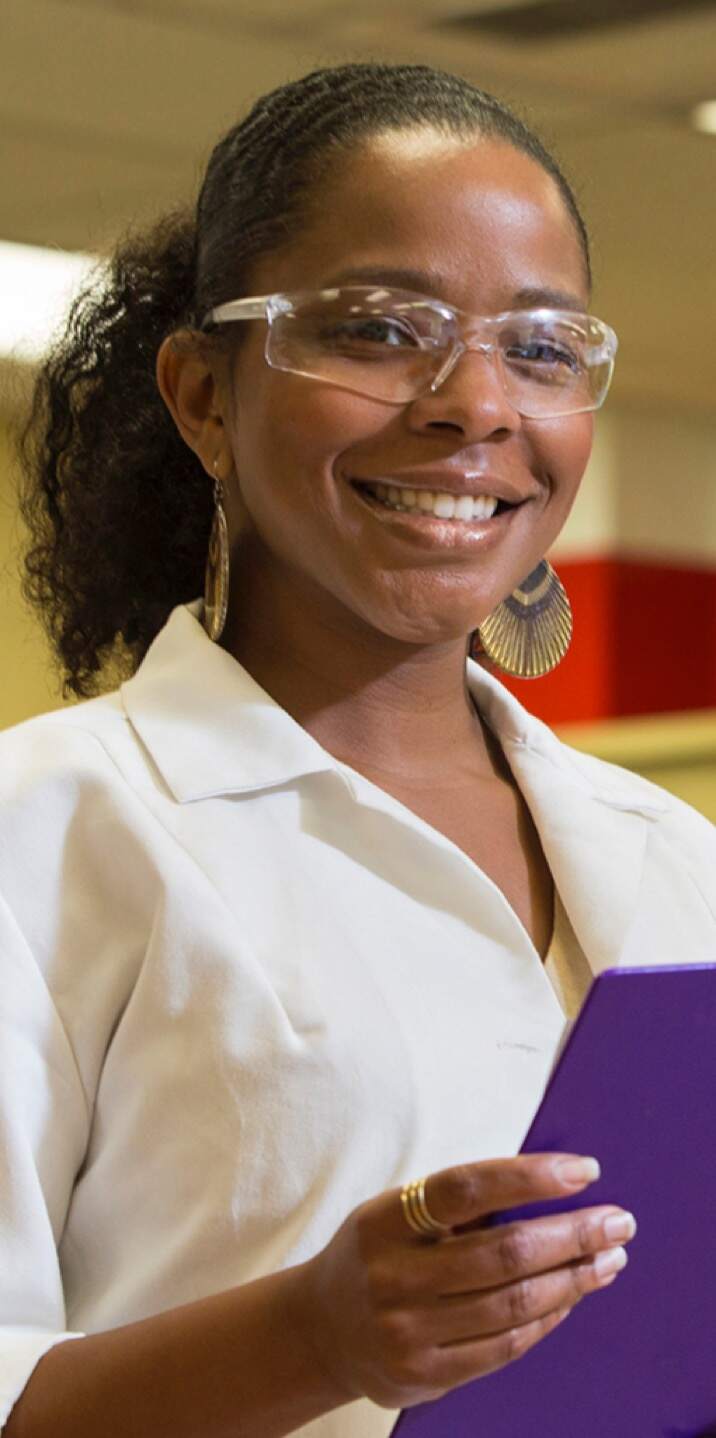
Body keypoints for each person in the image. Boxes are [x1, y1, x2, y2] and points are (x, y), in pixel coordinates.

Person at [2, 60, 714, 1438]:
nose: (475, 402)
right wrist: (315, 1333)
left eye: (545, 346)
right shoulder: (52, 830)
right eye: (385, 330)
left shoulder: (676, 857)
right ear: (204, 396)